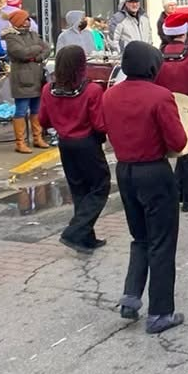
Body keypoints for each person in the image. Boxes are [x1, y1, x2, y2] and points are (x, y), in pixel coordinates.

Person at [102, 40, 188, 334]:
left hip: (124, 171)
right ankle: (161, 312)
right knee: (162, 243)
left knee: (139, 237)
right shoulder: (160, 96)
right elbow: (178, 142)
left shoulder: (109, 95)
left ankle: (131, 297)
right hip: (154, 172)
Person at [39, 45, 111, 254]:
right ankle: (75, 231)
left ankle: (86, 238)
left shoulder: (48, 90)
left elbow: (43, 120)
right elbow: (99, 124)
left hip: (65, 143)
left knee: (79, 190)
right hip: (87, 143)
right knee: (100, 187)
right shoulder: (92, 90)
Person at [155, 12, 188, 212]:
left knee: (170, 150)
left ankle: (175, 192)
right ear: (185, 32)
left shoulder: (158, 54)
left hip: (165, 104)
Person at [1, 10, 50, 154]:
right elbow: (21, 53)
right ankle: (20, 143)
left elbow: (46, 48)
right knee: (21, 110)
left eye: (28, 19)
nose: (28, 22)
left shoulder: (33, 34)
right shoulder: (11, 37)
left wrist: (36, 57)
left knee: (36, 109)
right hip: (22, 80)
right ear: (18, 22)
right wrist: (36, 49)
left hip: (37, 77)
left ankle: (37, 138)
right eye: (25, 19)